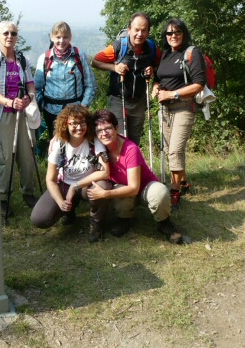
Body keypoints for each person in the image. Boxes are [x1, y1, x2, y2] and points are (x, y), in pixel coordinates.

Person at [87, 109, 183, 244]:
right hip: (123, 188)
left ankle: (164, 223)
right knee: (119, 188)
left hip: (144, 187)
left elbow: (133, 187)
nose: (104, 133)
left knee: (160, 192)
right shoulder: (98, 148)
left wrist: (105, 194)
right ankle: (124, 219)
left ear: (116, 128)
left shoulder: (130, 148)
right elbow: (76, 135)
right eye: (99, 131)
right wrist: (57, 138)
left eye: (108, 128)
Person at [31, 105, 111, 242]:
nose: (79, 127)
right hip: (64, 184)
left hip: (88, 184)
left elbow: (105, 172)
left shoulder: (94, 140)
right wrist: (60, 202)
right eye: (74, 123)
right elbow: (50, 179)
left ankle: (96, 223)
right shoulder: (59, 144)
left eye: (82, 123)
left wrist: (75, 186)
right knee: (39, 219)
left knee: (102, 186)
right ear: (65, 124)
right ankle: (69, 209)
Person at [0, 21, 38, 214]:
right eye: (5, 33)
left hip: (24, 113)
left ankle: (28, 192)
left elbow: (31, 85)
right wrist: (10, 102)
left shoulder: (23, 60)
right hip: (3, 115)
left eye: (13, 33)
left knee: (27, 156)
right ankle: (3, 197)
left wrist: (28, 98)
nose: (10, 36)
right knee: (5, 158)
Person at [152, 19, 206, 207]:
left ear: (184, 34)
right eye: (169, 33)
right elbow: (160, 78)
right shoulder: (165, 54)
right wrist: (157, 87)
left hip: (184, 106)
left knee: (175, 149)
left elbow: (199, 84)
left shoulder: (192, 53)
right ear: (165, 36)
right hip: (165, 109)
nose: (173, 36)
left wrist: (172, 93)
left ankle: (174, 191)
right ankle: (183, 182)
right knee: (169, 150)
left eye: (177, 32)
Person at [91, 12, 161, 146]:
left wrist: (153, 69)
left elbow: (160, 65)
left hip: (139, 101)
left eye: (143, 30)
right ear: (129, 29)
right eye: (136, 30)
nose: (139, 34)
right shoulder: (118, 47)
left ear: (148, 32)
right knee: (118, 138)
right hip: (118, 99)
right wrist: (115, 67)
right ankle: (118, 166)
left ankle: (133, 166)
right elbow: (95, 62)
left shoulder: (152, 49)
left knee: (135, 140)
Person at [34, 21, 97, 141]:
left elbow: (91, 85)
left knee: (76, 142)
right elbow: (36, 87)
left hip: (76, 110)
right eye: (58, 37)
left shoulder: (79, 56)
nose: (61, 41)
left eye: (65, 37)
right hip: (52, 111)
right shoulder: (45, 58)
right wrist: (43, 105)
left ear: (70, 37)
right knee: (56, 144)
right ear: (52, 37)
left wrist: (83, 107)